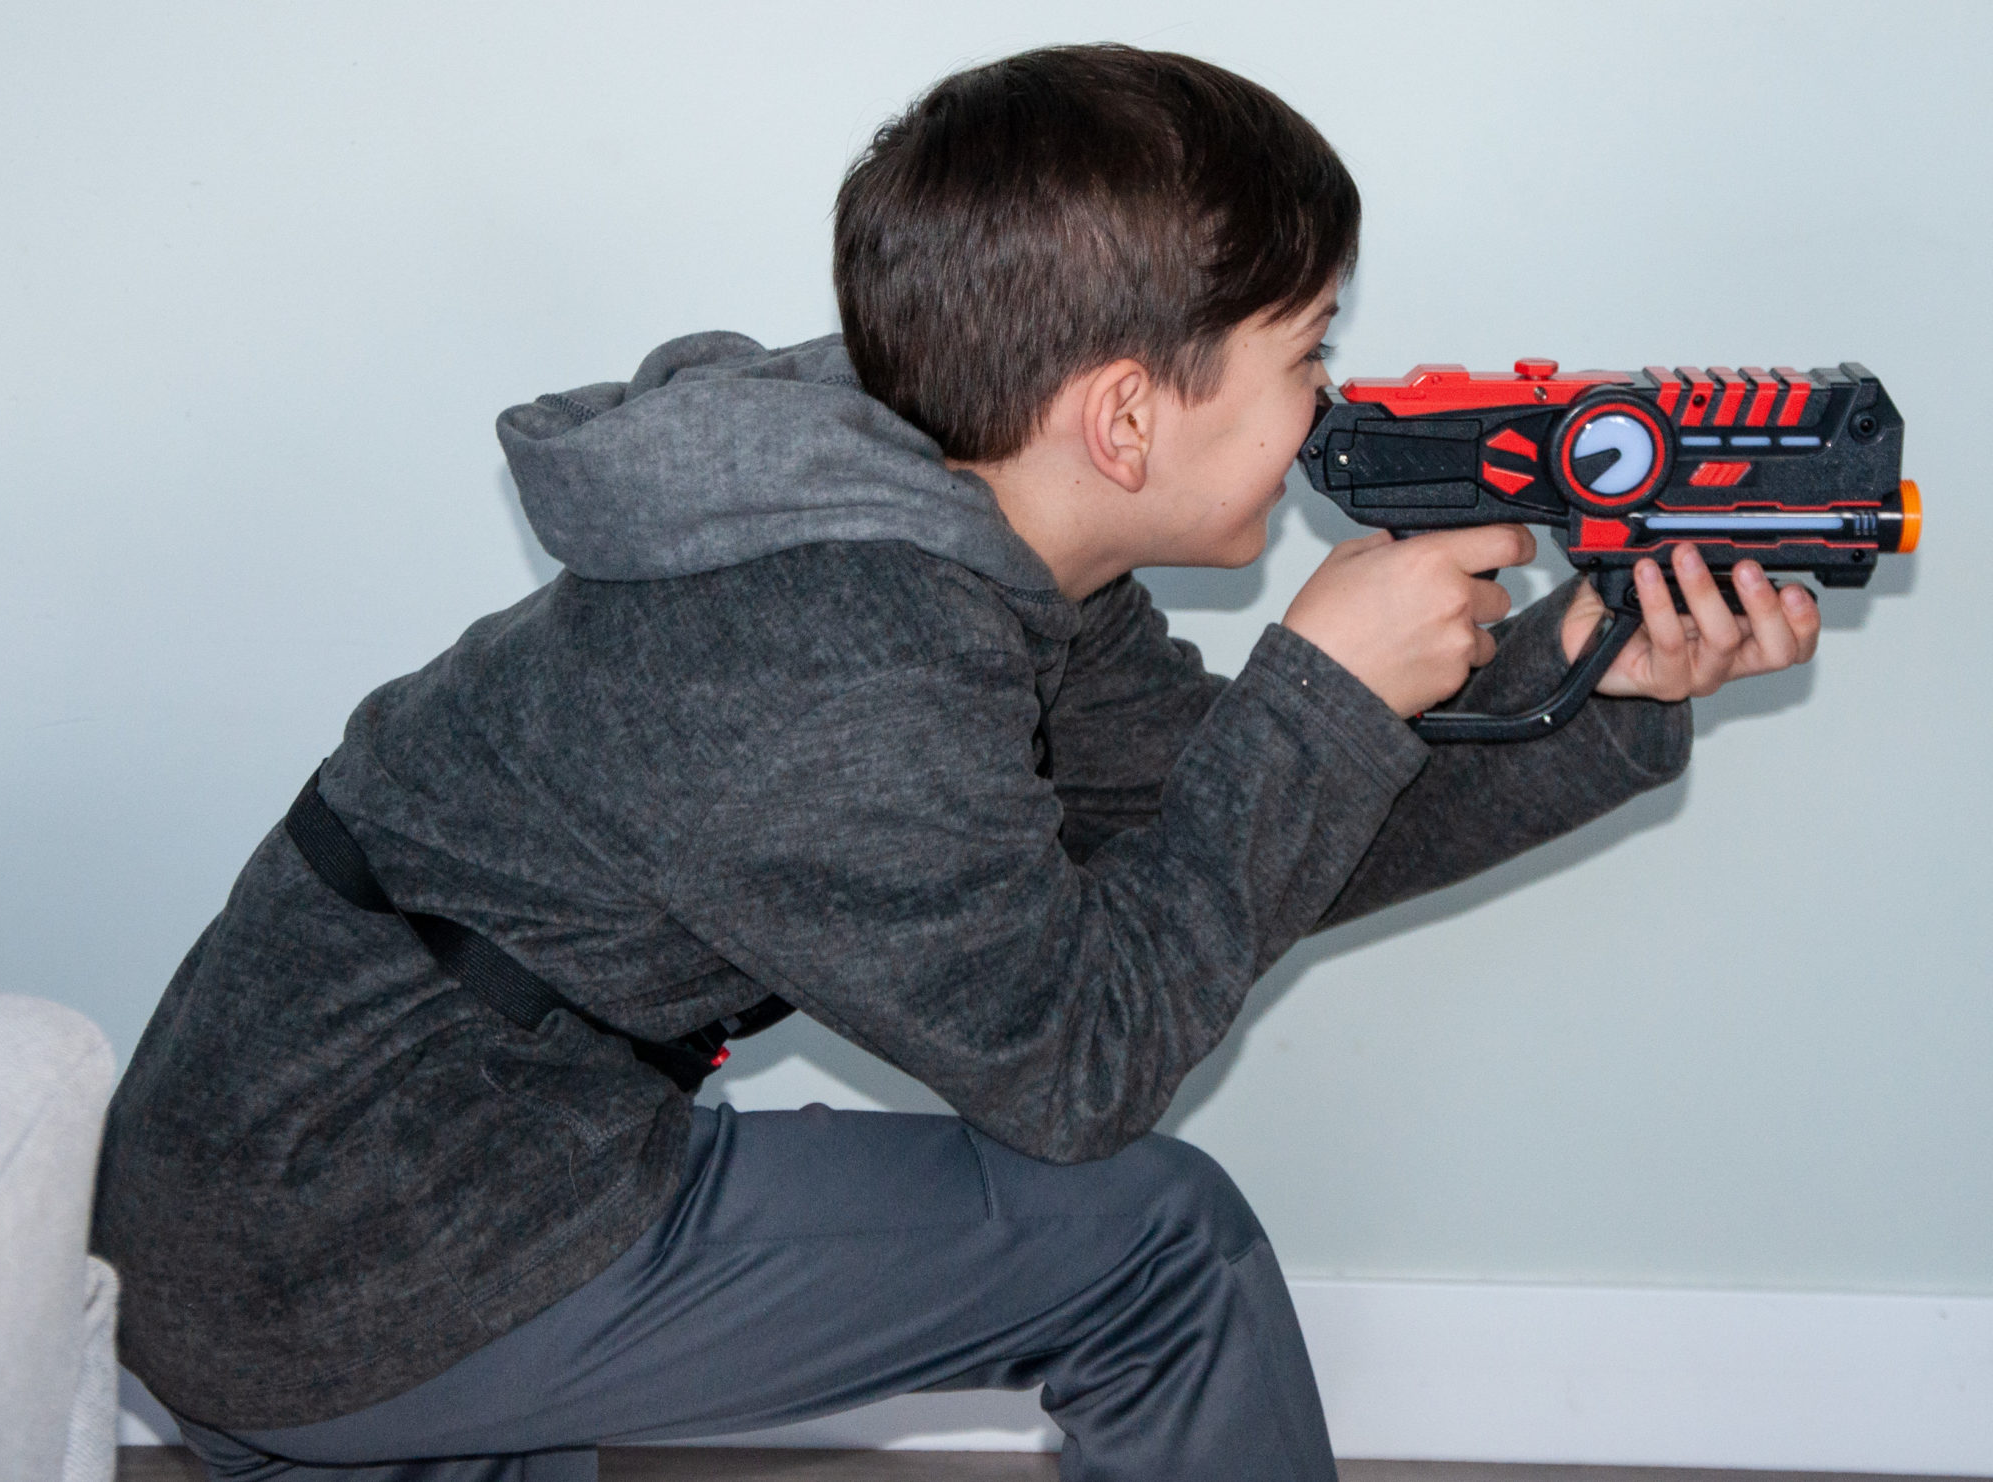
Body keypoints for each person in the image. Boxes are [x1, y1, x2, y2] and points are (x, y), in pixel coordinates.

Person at [93, 43, 1820, 1482]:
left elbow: (1245, 834)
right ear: (1128, 415)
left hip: (353, 1170)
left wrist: (1604, 674)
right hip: (351, 1243)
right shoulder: (836, 654)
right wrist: (1319, 684)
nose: (1328, 407)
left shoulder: (963, 531)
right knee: (1159, 1249)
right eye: (1308, 355)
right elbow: (1081, 1067)